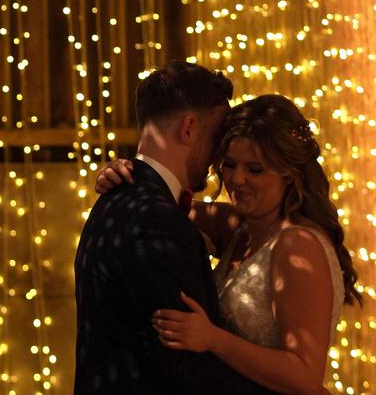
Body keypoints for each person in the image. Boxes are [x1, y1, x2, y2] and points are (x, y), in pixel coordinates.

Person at [92, 94, 362, 394]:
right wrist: (124, 175)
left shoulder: (297, 245)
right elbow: (158, 209)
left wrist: (213, 339)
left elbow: (305, 375)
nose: (237, 179)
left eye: (254, 169)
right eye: (230, 165)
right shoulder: (234, 225)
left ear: (289, 173)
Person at [73, 61, 273, 394]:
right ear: (189, 128)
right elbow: (185, 367)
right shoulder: (157, 220)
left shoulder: (116, 198)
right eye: (216, 137)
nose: (218, 157)